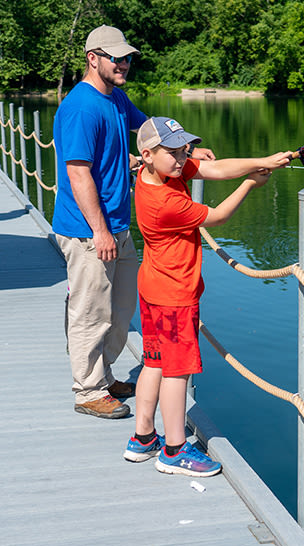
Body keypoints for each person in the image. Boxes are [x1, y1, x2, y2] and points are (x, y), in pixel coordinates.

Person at [52, 25, 215, 420]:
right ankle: (88, 390)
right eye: (116, 58)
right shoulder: (80, 107)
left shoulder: (117, 99)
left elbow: (152, 134)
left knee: (121, 309)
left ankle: (105, 377)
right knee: (91, 311)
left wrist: (187, 151)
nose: (124, 63)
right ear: (93, 59)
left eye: (127, 57)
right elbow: (78, 174)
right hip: (88, 230)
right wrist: (100, 229)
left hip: (118, 225)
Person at [123, 116, 292, 476]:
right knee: (177, 372)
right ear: (148, 153)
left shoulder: (159, 174)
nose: (183, 157)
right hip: (174, 295)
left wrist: (264, 160)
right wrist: (250, 183)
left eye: (184, 149)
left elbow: (216, 169)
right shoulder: (164, 200)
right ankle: (174, 449)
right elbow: (216, 216)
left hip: (152, 287)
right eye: (174, 152)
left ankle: (142, 438)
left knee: (154, 362)